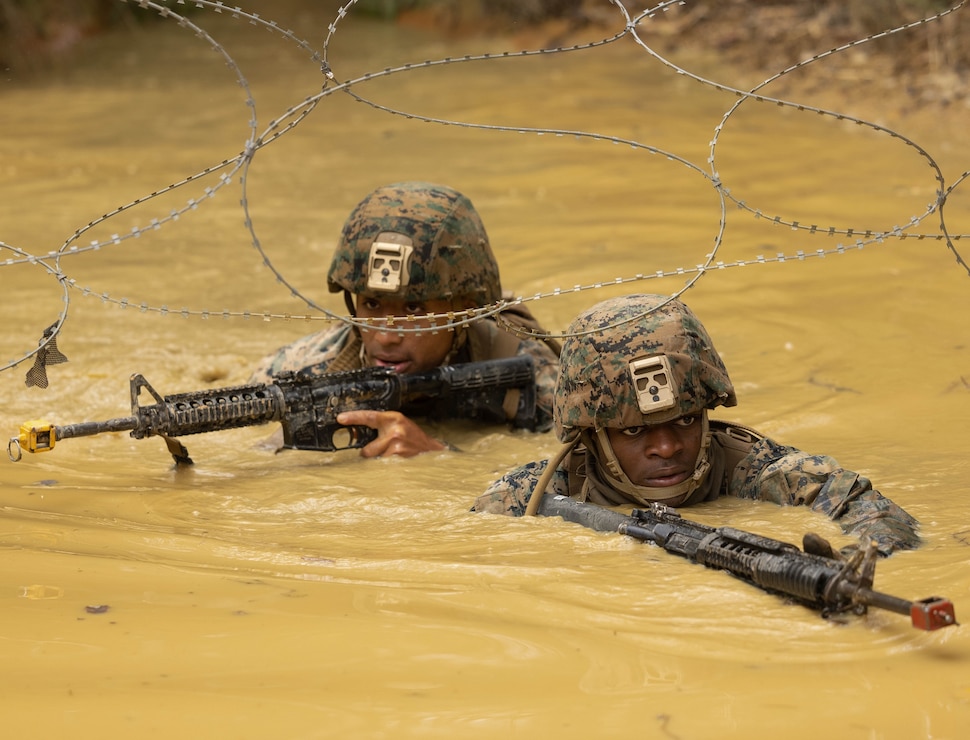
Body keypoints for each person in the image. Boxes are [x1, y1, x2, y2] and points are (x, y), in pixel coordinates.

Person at [471, 293, 920, 556]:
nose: (666, 448)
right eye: (633, 431)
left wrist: (863, 555)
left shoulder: (744, 466)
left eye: (685, 420)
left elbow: (865, 504)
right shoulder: (535, 493)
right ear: (592, 435)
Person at [250, 181, 560, 458]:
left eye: (413, 310)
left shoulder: (535, 376)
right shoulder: (302, 369)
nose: (385, 337)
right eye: (371, 304)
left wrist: (439, 455)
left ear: (464, 311)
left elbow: (577, 473)